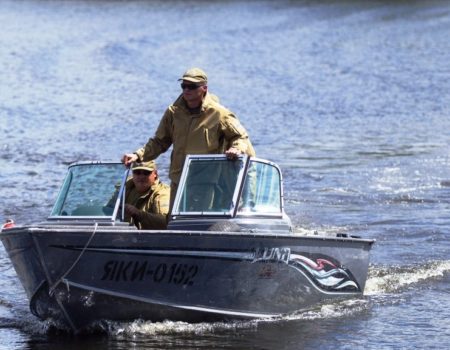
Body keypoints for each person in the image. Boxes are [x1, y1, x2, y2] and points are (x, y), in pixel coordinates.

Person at [121, 67, 255, 211]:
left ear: (204, 88)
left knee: (197, 223)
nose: (186, 90)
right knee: (174, 223)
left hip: (205, 181)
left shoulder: (219, 113)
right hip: (178, 179)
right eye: (183, 86)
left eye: (192, 86)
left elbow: (240, 137)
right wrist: (137, 155)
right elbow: (159, 142)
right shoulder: (173, 112)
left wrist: (236, 148)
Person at [123, 160, 170, 229]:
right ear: (132, 174)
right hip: (126, 235)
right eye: (137, 172)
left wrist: (138, 214)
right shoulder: (126, 186)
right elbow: (108, 210)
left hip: (150, 238)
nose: (141, 176)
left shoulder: (162, 193)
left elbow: (165, 222)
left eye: (146, 173)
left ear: (155, 174)